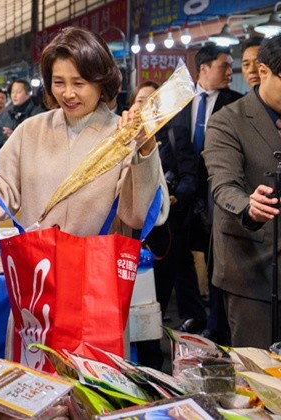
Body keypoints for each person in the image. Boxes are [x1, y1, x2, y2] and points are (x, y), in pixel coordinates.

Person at [0, 27, 169, 358]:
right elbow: (5, 198)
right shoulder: (31, 130)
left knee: (92, 384)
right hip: (36, 281)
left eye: (79, 83)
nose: (68, 93)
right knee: (35, 376)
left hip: (94, 282)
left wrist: (145, 148)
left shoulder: (125, 133)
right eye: (59, 82)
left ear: (102, 81)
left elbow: (138, 215)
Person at [203, 35, 281, 348]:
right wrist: (248, 206)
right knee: (258, 375)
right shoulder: (227, 121)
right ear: (264, 72)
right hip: (252, 268)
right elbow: (223, 184)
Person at [166, 45, 242, 341]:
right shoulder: (180, 103)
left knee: (215, 257)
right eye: (224, 65)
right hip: (183, 192)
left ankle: (216, 321)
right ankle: (192, 314)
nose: (229, 71)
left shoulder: (236, 103)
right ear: (204, 69)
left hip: (216, 191)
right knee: (182, 255)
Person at [131, 81, 202, 370]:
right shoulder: (125, 137)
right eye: (139, 100)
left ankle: (151, 364)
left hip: (164, 230)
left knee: (153, 298)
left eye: (150, 100)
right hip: (131, 230)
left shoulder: (175, 134)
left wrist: (173, 197)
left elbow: (190, 177)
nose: (143, 105)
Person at [0, 79, 44, 146]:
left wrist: (17, 138)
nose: (14, 95)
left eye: (18, 92)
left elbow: (41, 141)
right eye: (12, 92)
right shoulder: (7, 115)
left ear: (28, 93)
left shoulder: (38, 115)